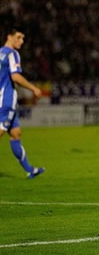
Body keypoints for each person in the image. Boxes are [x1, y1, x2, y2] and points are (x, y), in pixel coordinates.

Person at [0, 28, 44, 179]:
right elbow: (16, 77)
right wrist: (33, 88)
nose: (21, 41)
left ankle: (30, 170)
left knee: (16, 134)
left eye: (23, 38)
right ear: (9, 37)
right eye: (18, 37)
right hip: (6, 100)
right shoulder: (12, 54)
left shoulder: (0, 53)